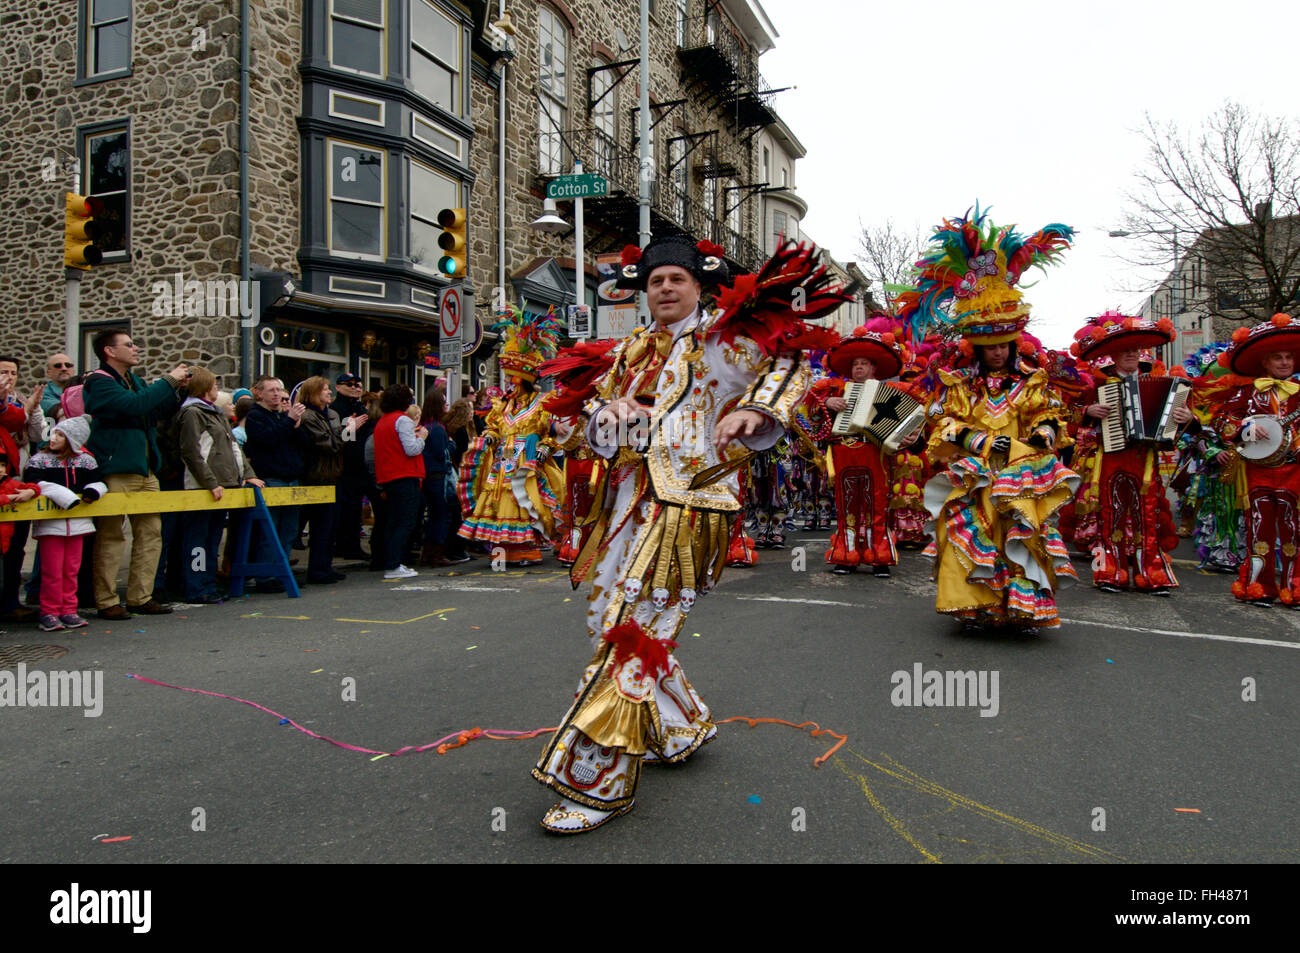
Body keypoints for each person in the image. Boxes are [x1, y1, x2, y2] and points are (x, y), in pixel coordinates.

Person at [532, 235, 842, 833]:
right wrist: (610, 418)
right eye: (655, 281)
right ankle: (681, 726)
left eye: (676, 279)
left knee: (632, 632)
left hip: (688, 507)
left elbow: (787, 361)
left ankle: (596, 782)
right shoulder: (630, 351)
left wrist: (758, 410)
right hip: (624, 503)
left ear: (698, 286)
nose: (666, 289)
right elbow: (585, 428)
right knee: (608, 622)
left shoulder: (723, 340)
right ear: (644, 293)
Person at [896, 208, 1079, 629]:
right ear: (977, 349)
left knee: (1018, 533)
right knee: (967, 531)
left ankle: (1021, 606)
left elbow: (1047, 412)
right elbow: (941, 421)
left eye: (1003, 347)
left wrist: (1045, 430)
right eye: (989, 347)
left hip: (1020, 469)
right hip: (976, 472)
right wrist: (976, 442)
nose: (997, 353)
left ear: (1013, 346)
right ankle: (974, 604)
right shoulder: (960, 384)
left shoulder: (1031, 381)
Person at [1068, 313, 1192, 594]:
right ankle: (1109, 571)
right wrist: (1088, 412)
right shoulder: (1097, 389)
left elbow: (1179, 427)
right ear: (1112, 355)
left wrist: (1186, 417)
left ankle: (1151, 572)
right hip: (1109, 458)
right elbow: (1069, 417)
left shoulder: (1164, 386)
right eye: (1125, 351)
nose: (1132, 355)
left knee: (1146, 516)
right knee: (1108, 514)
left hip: (1143, 459)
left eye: (1135, 351)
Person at [82, 330, 188, 619]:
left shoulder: (136, 381)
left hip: (146, 469)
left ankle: (141, 597)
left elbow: (156, 411)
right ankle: (106, 600)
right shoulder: (98, 382)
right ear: (109, 351)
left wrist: (178, 389)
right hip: (116, 469)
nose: (136, 348)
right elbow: (135, 405)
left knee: (151, 534)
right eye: (128, 344)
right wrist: (168, 380)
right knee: (112, 535)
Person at [802, 317, 917, 577]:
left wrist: (908, 437)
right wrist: (828, 403)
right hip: (843, 451)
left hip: (874, 452)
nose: (859, 369)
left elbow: (910, 424)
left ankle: (879, 558)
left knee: (877, 504)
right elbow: (811, 416)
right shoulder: (833, 390)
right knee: (845, 505)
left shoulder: (891, 391)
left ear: (874, 368)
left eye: (864, 364)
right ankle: (846, 555)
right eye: (855, 364)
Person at [457, 309, 565, 567]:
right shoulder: (502, 405)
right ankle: (502, 551)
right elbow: (494, 428)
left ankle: (525, 551)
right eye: (508, 375)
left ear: (525, 379)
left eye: (513, 376)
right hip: (503, 463)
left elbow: (552, 435)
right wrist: (491, 437)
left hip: (526, 461)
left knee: (525, 502)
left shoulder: (541, 404)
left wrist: (544, 449)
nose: (509, 380)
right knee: (500, 501)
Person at [1212, 314, 1300, 607]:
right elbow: (1220, 419)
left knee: (1294, 532)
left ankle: (1294, 586)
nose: (1285, 362)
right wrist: (1244, 429)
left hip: (1294, 470)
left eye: (1289, 357)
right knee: (1258, 530)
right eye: (1278, 357)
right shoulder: (1247, 393)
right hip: (1257, 471)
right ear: (1265, 361)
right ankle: (1259, 585)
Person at [175, 368, 264, 603]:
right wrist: (210, 482)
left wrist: (248, 474)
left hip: (224, 485)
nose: (217, 390)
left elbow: (234, 449)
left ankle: (208, 583)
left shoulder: (215, 413)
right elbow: (192, 452)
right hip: (201, 487)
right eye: (214, 386)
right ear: (205, 388)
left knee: (212, 538)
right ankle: (195, 586)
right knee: (198, 541)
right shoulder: (193, 413)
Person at [23, 416, 106, 630]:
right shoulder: (40, 459)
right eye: (54, 432)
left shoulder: (86, 461)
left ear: (72, 439)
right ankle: (49, 611)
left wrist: (93, 491)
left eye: (60, 434)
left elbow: (99, 482)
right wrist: (66, 497)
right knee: (52, 571)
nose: (53, 437)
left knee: (71, 569)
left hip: (78, 524)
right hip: (51, 526)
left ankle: (69, 609)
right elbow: (37, 483)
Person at [242, 376, 312, 592]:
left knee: (288, 530)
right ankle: (266, 576)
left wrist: (296, 425)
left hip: (291, 478)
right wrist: (289, 420)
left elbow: (304, 445)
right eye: (271, 390)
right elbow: (268, 441)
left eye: (279, 390)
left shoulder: (282, 417)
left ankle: (281, 571)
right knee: (269, 531)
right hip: (272, 478)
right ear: (259, 393)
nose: (276, 394)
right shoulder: (256, 416)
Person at [296, 376, 359, 584]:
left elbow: (344, 443)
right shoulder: (307, 416)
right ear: (314, 392)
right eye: (325, 390)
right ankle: (316, 569)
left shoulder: (331, 414)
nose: (329, 393)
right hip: (316, 475)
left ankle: (325, 566)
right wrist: (348, 429)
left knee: (329, 525)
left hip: (335, 473)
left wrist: (349, 431)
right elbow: (329, 444)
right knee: (318, 524)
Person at [371, 384, 427, 579]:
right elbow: (411, 449)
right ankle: (394, 564)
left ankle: (391, 561)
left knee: (393, 521)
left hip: (389, 476)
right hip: (404, 475)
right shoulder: (402, 420)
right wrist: (421, 437)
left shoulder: (382, 421)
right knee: (405, 522)